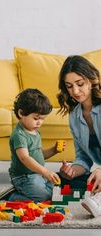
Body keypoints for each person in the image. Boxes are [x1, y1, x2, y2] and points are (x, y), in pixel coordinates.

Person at [0, 88, 63, 202]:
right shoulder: (19, 135)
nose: (40, 122)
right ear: (21, 113)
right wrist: (45, 171)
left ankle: (29, 191)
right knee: (43, 197)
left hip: (36, 174)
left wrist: (54, 150)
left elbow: (37, 154)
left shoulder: (34, 131)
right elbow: (25, 158)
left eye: (43, 119)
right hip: (23, 177)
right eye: (36, 118)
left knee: (54, 191)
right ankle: (11, 196)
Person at [57, 55, 101, 217]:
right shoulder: (74, 116)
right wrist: (72, 171)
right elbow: (83, 159)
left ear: (91, 79)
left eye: (80, 84)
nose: (75, 91)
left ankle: (99, 200)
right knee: (60, 179)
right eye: (69, 86)